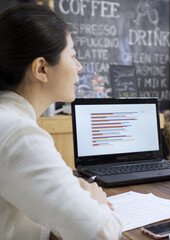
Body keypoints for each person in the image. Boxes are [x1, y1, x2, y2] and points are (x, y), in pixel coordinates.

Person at [0, 4, 122, 239]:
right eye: (73, 55)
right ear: (41, 68)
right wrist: (95, 200)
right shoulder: (18, 134)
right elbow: (102, 234)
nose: (79, 67)